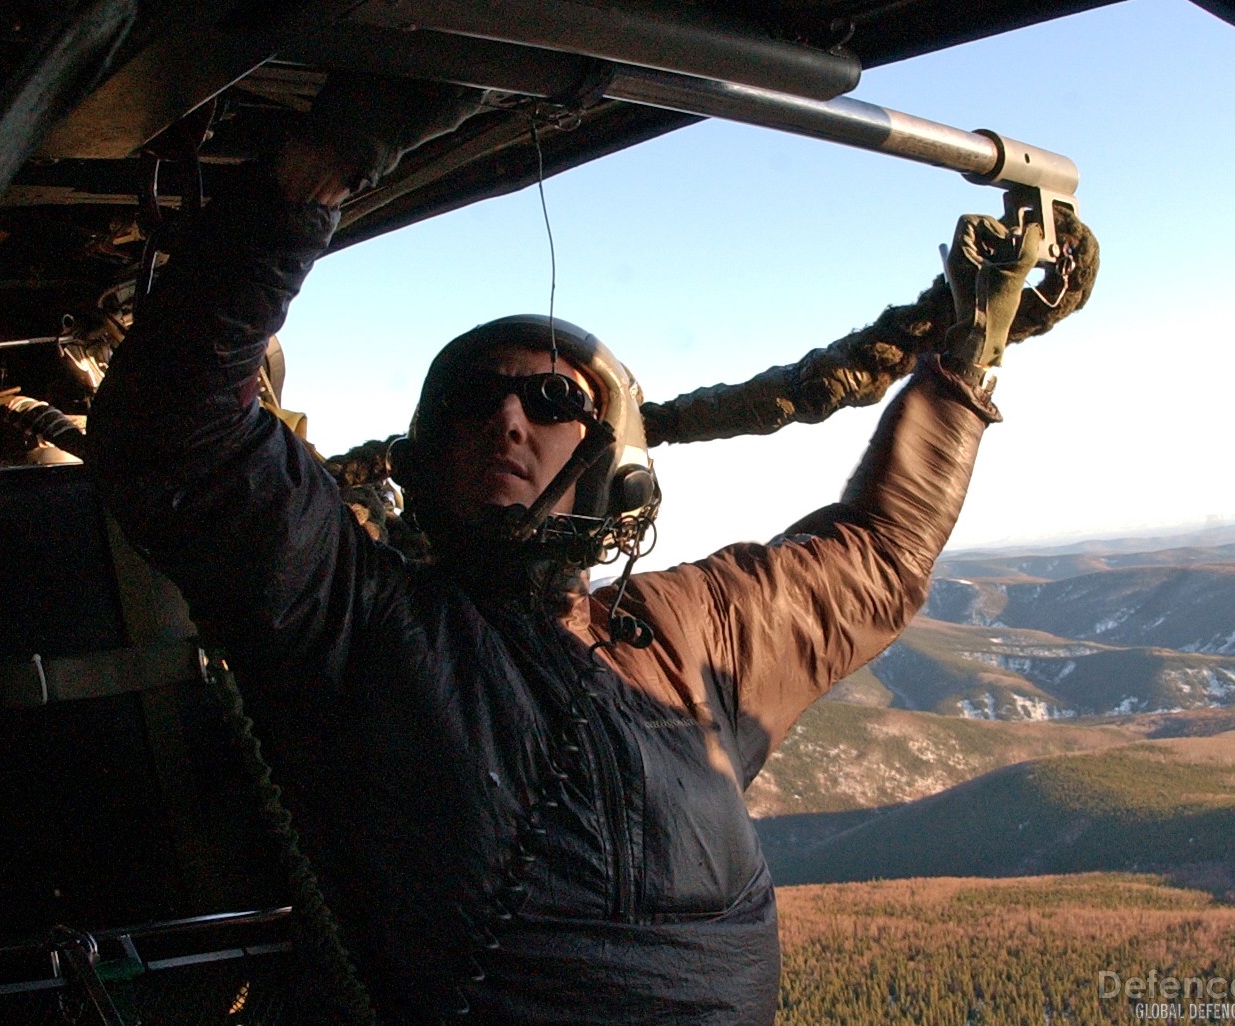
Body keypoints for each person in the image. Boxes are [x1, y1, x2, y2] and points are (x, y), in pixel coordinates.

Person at [90, 78, 1058, 1026]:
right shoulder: (348, 614)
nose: (507, 417)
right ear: (426, 456)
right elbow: (177, 433)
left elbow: (878, 554)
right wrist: (316, 175)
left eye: (552, 403)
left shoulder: (690, 629)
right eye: (473, 399)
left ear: (612, 458)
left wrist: (969, 360)